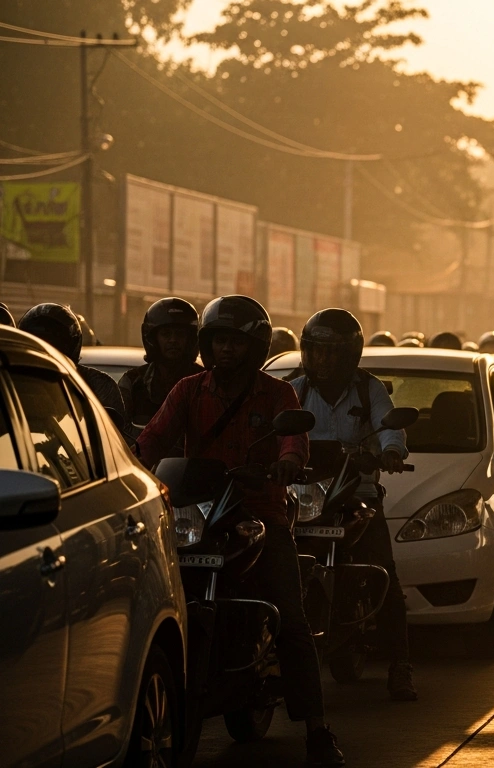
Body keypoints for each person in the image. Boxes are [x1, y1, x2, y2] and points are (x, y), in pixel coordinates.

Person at [137, 295, 345, 766]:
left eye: (236, 342)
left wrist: (288, 464)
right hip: (197, 517)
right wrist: (131, 467)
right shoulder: (188, 391)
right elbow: (152, 439)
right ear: (207, 346)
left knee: (291, 620)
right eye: (219, 341)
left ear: (254, 347)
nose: (226, 350)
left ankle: (317, 730)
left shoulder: (277, 395)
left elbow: (295, 442)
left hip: (260, 516)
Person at [289, 309, 417, 702]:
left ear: (350, 355)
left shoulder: (369, 389)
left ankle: (401, 665)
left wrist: (391, 453)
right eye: (316, 351)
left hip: (357, 497)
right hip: (307, 499)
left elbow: (390, 426)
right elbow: (275, 430)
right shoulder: (295, 390)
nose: (322, 360)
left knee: (386, 575)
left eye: (331, 353)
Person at [19, 303, 130, 429]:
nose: (46, 352)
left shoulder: (98, 385)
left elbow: (115, 439)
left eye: (53, 344)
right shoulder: (12, 382)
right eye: (37, 344)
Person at [120, 297, 204, 430]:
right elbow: (117, 431)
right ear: (153, 338)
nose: (173, 340)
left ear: (190, 340)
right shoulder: (133, 382)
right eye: (166, 334)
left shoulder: (204, 382)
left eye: (180, 335)